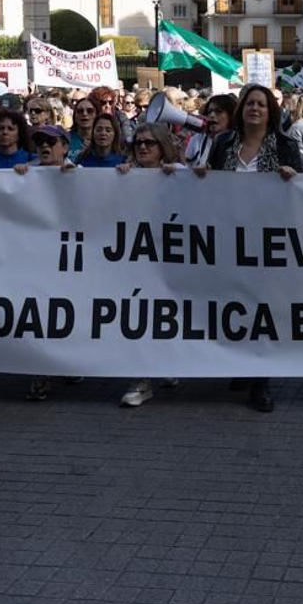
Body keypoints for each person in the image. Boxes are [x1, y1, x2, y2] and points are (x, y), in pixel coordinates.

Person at [203, 84, 301, 413]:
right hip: (229, 236)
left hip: (267, 239)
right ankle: (242, 366)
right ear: (241, 110)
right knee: (234, 303)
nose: (254, 109)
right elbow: (211, 183)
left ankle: (261, 381)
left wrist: (293, 177)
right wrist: (201, 175)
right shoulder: (222, 143)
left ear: (270, 111)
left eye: (261, 104)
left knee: (261, 309)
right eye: (249, 104)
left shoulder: (285, 145)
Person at [114, 122, 184, 408]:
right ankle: (141, 379)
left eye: (149, 143)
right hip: (136, 259)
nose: (142, 147)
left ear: (162, 147)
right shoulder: (124, 175)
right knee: (139, 314)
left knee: (165, 315)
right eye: (138, 143)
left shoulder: (178, 174)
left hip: (169, 259)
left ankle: (163, 364)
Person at [184, 93, 234, 167]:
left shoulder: (238, 142)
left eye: (219, 111)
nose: (212, 115)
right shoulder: (197, 139)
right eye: (209, 112)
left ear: (230, 116)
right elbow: (187, 169)